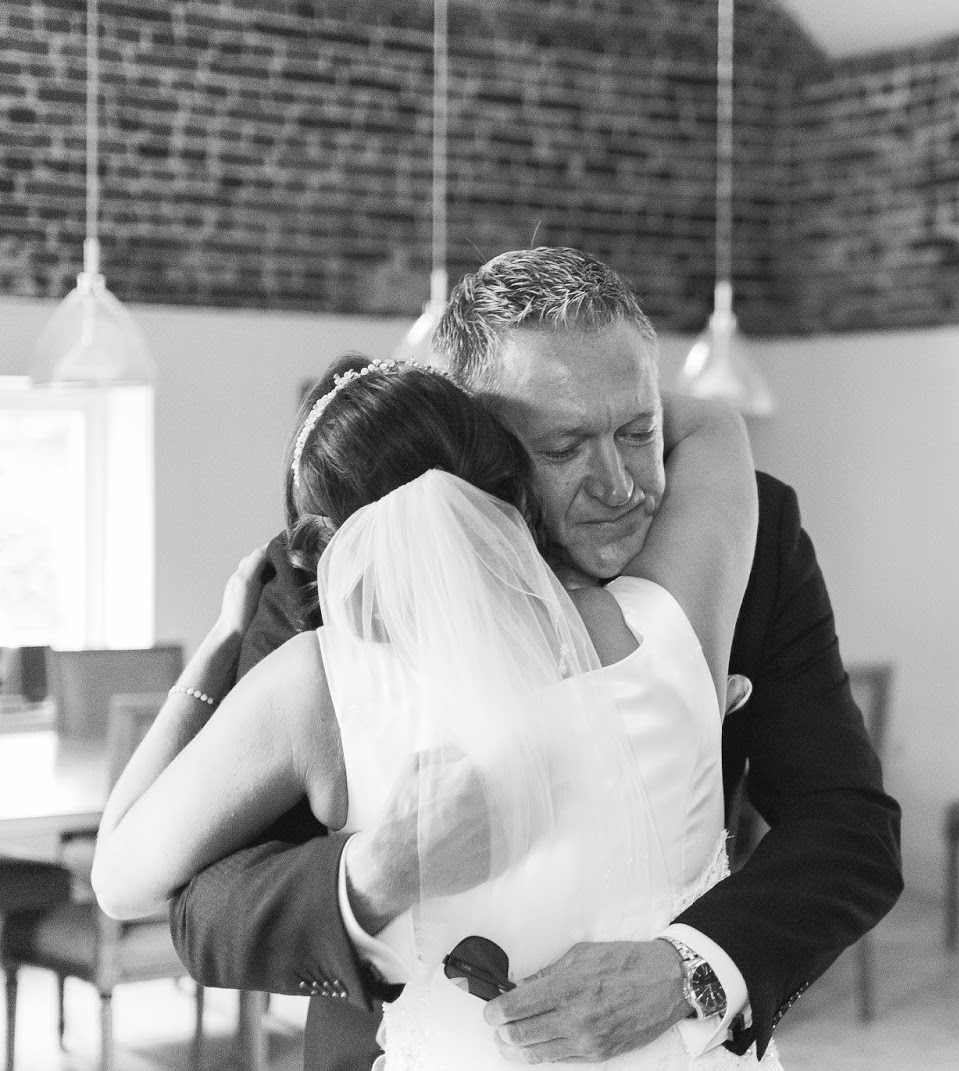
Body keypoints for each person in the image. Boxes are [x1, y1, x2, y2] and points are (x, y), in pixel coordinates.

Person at [164, 248, 903, 1071]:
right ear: (475, 452)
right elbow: (206, 904)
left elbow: (849, 825)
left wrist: (691, 969)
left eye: (639, 430)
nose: (620, 485)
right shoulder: (341, 566)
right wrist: (371, 876)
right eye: (563, 447)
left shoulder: (749, 535)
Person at [94, 354, 772, 1068]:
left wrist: (219, 644)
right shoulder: (665, 622)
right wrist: (520, 395)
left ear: (319, 546)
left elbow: (117, 880)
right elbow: (714, 425)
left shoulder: (316, 687)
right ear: (513, 493)